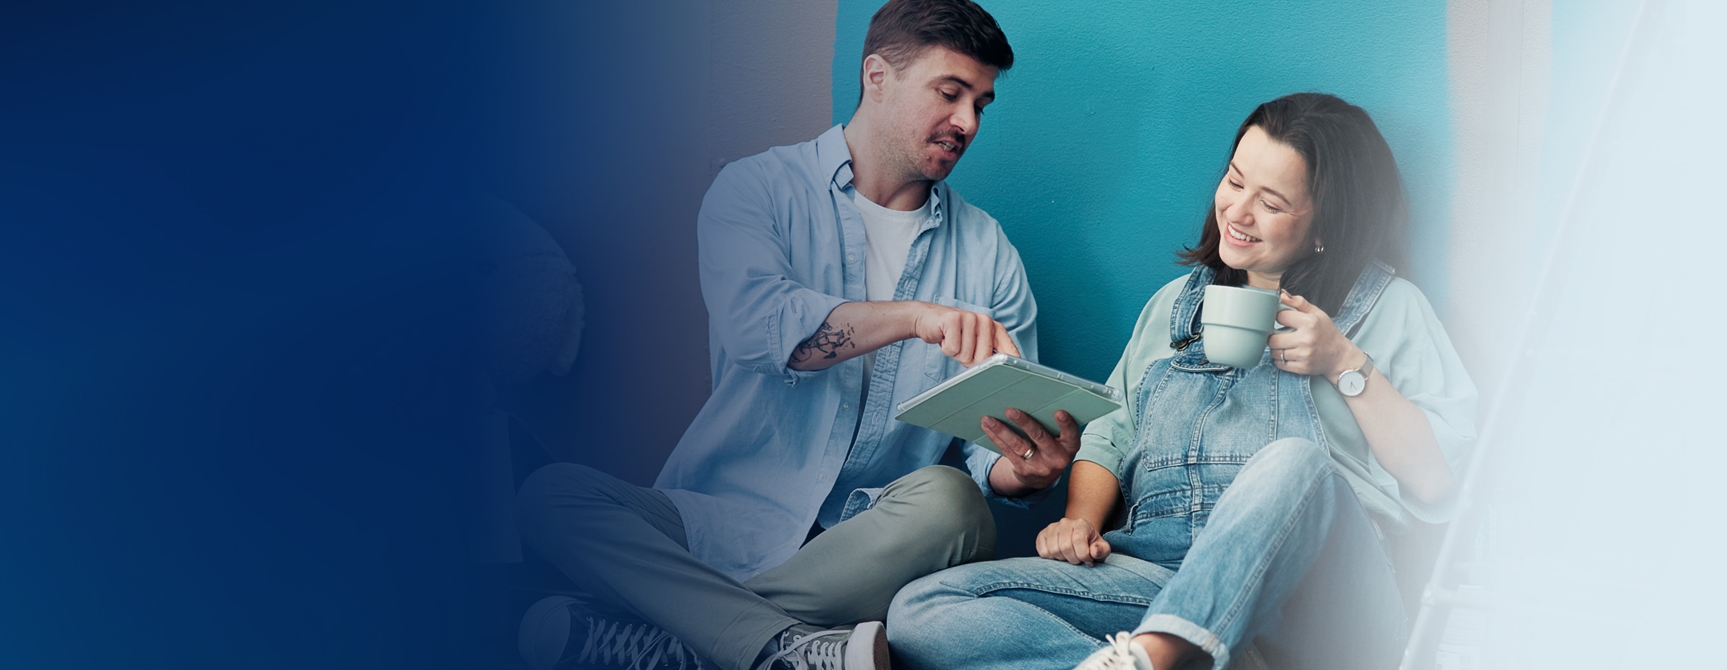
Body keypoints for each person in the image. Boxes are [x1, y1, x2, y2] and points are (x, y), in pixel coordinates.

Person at [513, 2, 1084, 670]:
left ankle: (683, 638)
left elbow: (989, 449)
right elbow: (762, 331)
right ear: (877, 77)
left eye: (980, 104)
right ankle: (777, 647)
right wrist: (914, 317)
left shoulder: (990, 254)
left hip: (867, 544)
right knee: (551, 497)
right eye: (950, 93)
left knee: (956, 503)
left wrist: (1024, 469)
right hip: (717, 522)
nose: (968, 122)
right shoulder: (755, 189)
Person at [887, 93, 1478, 670]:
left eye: (1271, 203)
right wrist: (1081, 521)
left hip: (1315, 603)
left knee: (1295, 461)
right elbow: (1110, 433)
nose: (1238, 212)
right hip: (1157, 574)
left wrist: (1343, 361)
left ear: (1325, 223)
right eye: (1235, 181)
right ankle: (1177, 652)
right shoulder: (1175, 304)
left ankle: (1163, 653)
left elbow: (1439, 481)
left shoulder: (1389, 307)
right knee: (922, 609)